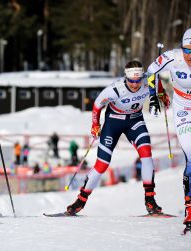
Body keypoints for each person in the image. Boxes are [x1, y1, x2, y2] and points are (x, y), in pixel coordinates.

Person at [65, 60, 164, 216]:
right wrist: (95, 124)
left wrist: (162, 95)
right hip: (113, 123)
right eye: (131, 81)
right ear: (126, 77)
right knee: (102, 164)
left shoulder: (148, 81)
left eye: (138, 80)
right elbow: (97, 104)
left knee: (146, 155)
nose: (135, 84)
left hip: (135, 121)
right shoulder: (114, 90)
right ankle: (80, 201)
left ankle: (150, 201)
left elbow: (157, 84)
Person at [147, 28, 191, 233]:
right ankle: (189, 208)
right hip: (183, 111)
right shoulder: (172, 58)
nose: (190, 56)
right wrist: (155, 94)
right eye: (187, 50)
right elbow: (150, 71)